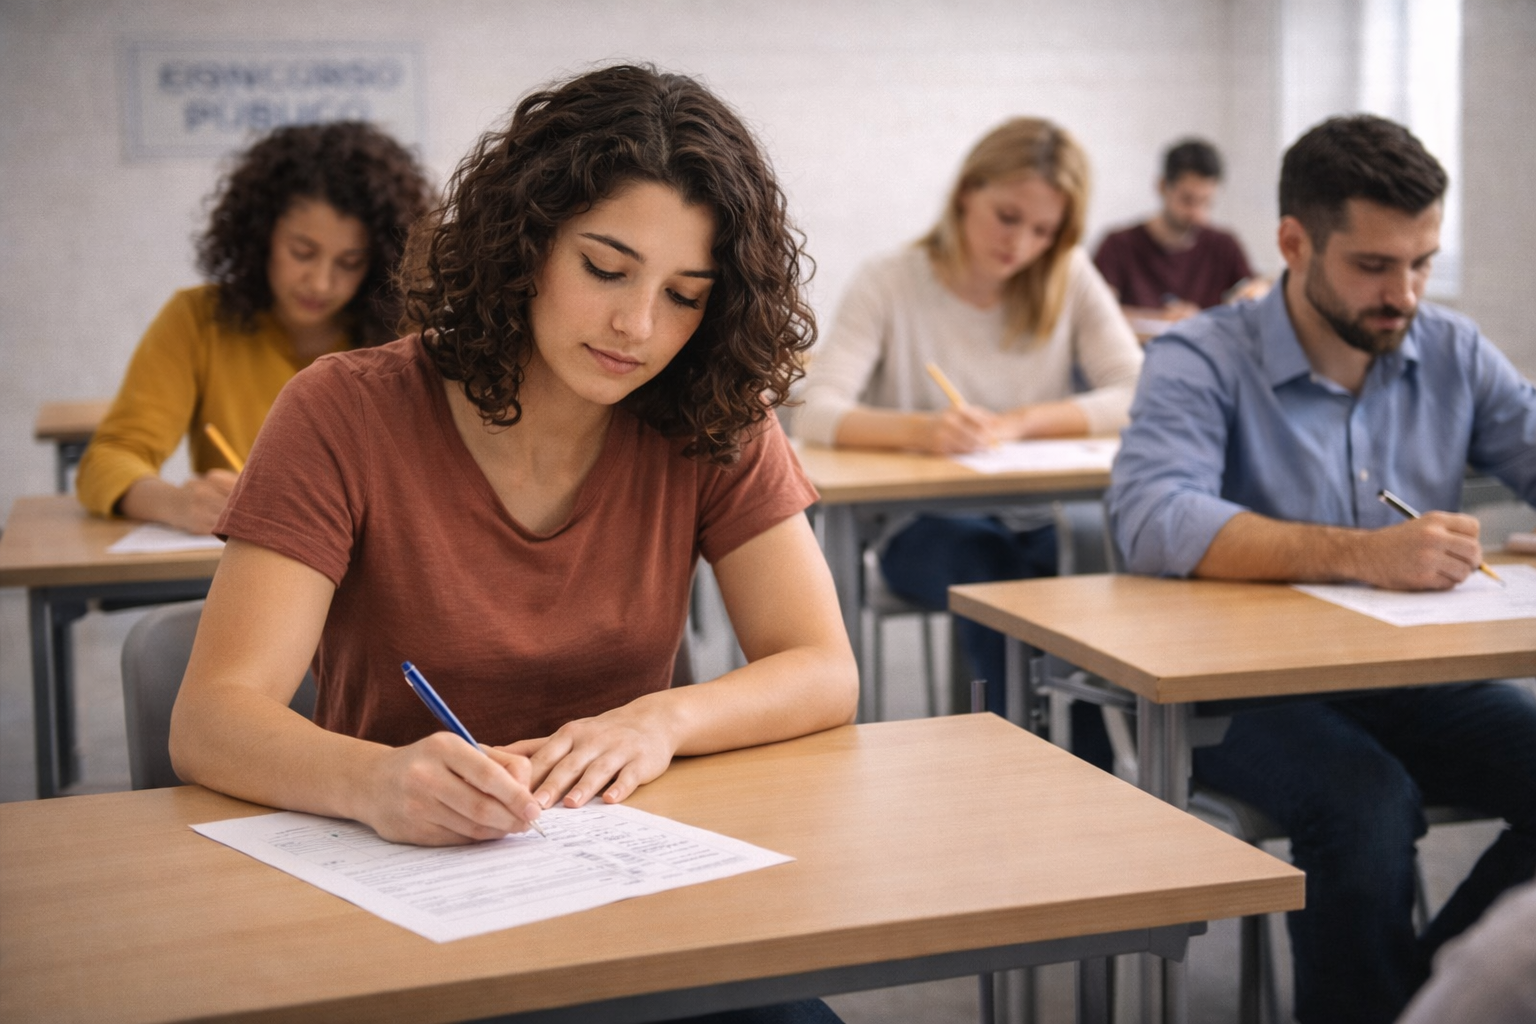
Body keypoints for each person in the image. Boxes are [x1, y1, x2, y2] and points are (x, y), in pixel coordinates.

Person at [169, 65, 856, 1024]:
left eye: (686, 296)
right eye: (606, 269)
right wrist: (373, 781)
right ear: (524, 242)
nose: (638, 326)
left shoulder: (713, 416)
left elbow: (821, 667)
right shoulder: (342, 410)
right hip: (408, 893)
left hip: (635, 885)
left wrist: (658, 722)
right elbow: (211, 718)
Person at [1108, 114, 1536, 1024]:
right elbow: (1151, 518)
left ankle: (1436, 1001)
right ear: (1293, 243)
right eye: (1374, 266)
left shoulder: (1450, 349)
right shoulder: (1200, 359)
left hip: (1413, 675)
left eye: (1422, 262)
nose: (1407, 293)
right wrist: (1363, 555)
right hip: (1241, 696)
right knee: (1366, 802)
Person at [795, 117, 1142, 744]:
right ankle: (1025, 765)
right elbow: (818, 414)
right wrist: (922, 431)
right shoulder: (890, 280)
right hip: (918, 527)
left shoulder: (1069, 274)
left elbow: (1138, 391)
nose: (1022, 244)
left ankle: (1092, 777)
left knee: (1085, 589)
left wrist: (1022, 423)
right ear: (966, 193)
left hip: (1042, 518)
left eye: (1044, 230)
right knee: (1000, 581)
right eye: (1008, 216)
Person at [76, 121, 433, 534]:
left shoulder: (409, 333)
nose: (320, 282)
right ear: (261, 236)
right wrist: (177, 503)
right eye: (302, 252)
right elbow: (108, 458)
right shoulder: (197, 320)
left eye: (349, 262)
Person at [1093, 138, 1258, 327]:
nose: (1198, 214)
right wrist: (1161, 320)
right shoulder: (1118, 245)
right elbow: (1096, 315)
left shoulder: (1224, 245)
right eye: (1188, 200)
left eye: (1206, 202)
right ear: (1163, 186)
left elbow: (1253, 294)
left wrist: (1256, 293)